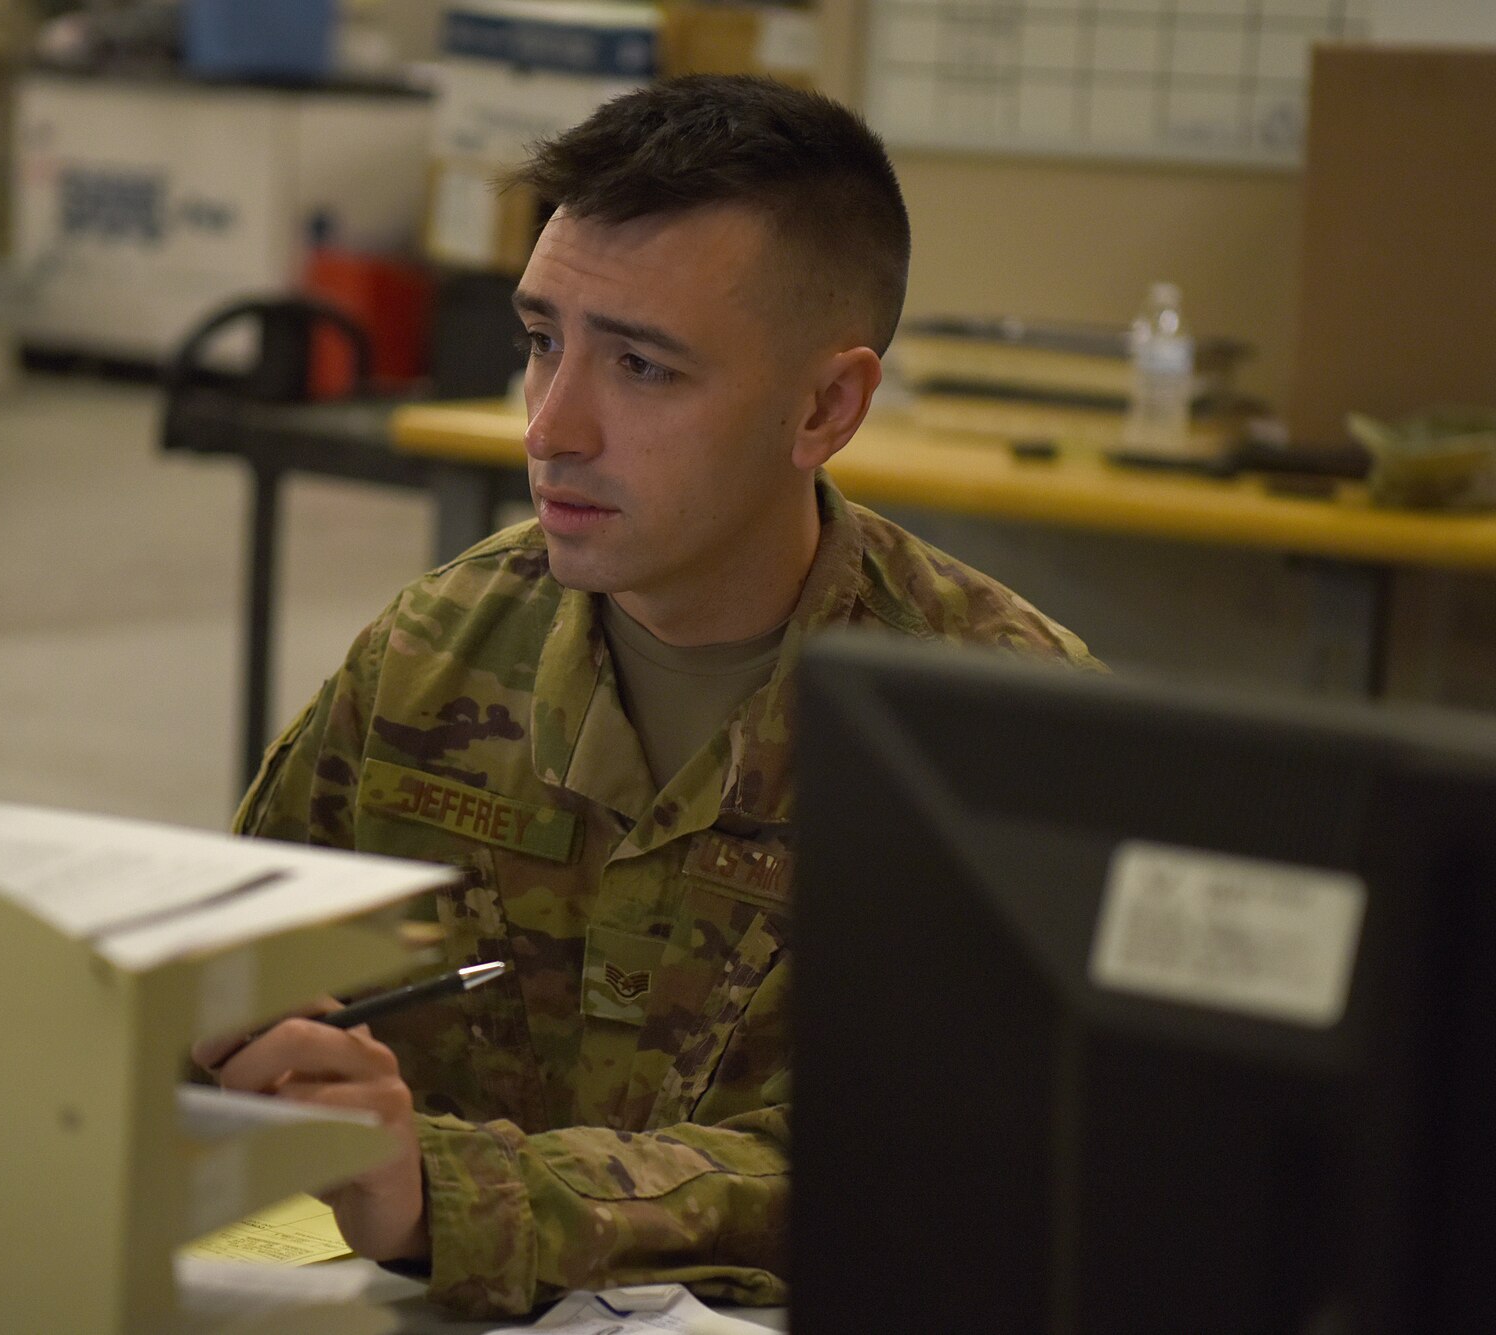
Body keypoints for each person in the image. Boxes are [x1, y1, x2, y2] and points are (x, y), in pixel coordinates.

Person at [198, 75, 1102, 1317]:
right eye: (539, 342)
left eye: (641, 366)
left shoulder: (1003, 735)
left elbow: (956, 1171)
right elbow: (232, 982)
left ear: (823, 407)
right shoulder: (433, 653)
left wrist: (443, 1193)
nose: (550, 427)